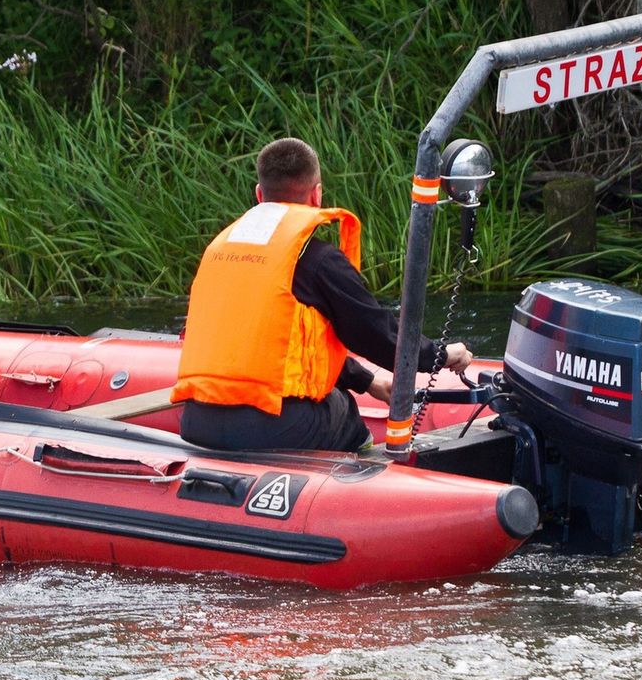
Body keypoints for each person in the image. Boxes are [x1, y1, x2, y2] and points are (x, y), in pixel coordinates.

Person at [171, 137, 471, 453]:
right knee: (342, 409)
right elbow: (375, 333)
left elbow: (280, 349)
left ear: (259, 195)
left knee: (333, 394)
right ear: (317, 195)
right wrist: (441, 355)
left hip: (196, 422)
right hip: (271, 424)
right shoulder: (319, 261)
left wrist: (367, 382)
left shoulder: (219, 250)